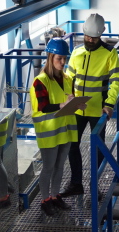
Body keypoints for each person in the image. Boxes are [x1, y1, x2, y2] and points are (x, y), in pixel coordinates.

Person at [61, 13, 119, 197]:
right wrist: (68, 95)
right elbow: (68, 78)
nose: (89, 40)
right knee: (72, 145)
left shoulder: (110, 53)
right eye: (87, 36)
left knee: (98, 149)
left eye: (93, 38)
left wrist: (110, 103)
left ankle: (95, 186)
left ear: (101, 34)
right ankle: (76, 183)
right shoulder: (77, 52)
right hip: (77, 109)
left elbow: (116, 80)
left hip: (98, 110)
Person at [29, 37, 85, 215]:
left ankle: (54, 196)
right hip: (49, 132)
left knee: (60, 166)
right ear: (50, 57)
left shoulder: (68, 79)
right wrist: (62, 105)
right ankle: (45, 200)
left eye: (64, 58)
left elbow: (70, 100)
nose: (63, 62)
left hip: (66, 130)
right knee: (48, 167)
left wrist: (77, 104)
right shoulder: (40, 81)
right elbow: (43, 106)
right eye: (59, 58)